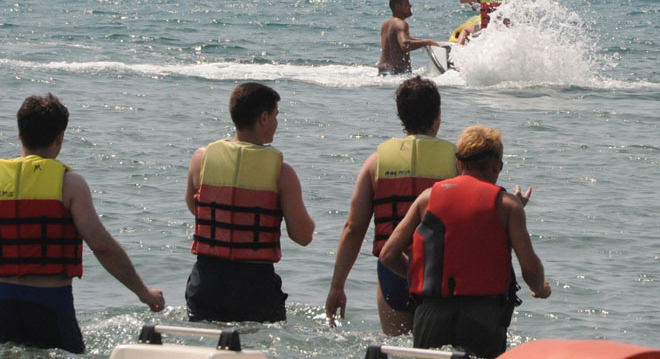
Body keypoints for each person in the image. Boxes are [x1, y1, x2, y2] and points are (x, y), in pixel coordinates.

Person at [0, 94, 165, 354]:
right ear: (60, 138)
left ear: (19, 135)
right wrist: (143, 293)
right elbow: (101, 246)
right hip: (49, 306)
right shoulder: (69, 184)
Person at [379, 125, 551, 359]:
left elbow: (388, 254)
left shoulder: (427, 198)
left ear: (459, 164)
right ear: (495, 164)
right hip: (483, 318)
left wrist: (417, 274)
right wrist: (541, 289)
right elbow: (530, 270)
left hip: (431, 314)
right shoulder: (508, 206)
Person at [325, 76, 456, 335]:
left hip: (393, 273)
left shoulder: (376, 163)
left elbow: (353, 227)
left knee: (397, 350)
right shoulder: (457, 162)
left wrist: (337, 285)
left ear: (400, 116)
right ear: (438, 114)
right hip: (441, 276)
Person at [185, 82, 314, 323]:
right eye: (276, 115)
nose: (277, 122)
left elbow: (195, 207)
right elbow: (303, 236)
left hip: (206, 281)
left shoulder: (201, 159)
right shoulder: (282, 173)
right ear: (263, 118)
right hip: (255, 285)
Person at [378, 0, 440, 75]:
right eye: (407, 4)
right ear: (398, 7)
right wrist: (426, 42)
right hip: (397, 72)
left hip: (383, 70)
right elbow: (404, 44)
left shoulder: (386, 24)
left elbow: (399, 41)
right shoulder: (401, 23)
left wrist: (425, 43)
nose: (410, 6)